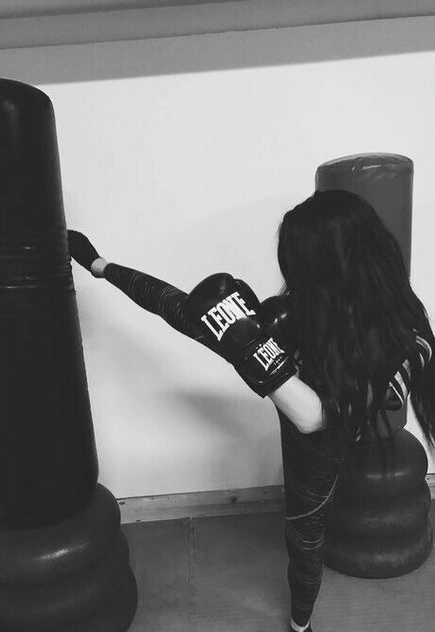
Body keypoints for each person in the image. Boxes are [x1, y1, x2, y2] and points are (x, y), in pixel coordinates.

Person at [68, 189, 435, 632]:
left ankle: (298, 627)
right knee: (302, 537)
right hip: (307, 419)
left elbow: (317, 417)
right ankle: (302, 627)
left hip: (336, 424)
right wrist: (100, 265)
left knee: (306, 532)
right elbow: (180, 309)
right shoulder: (293, 315)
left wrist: (254, 351)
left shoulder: (406, 334)